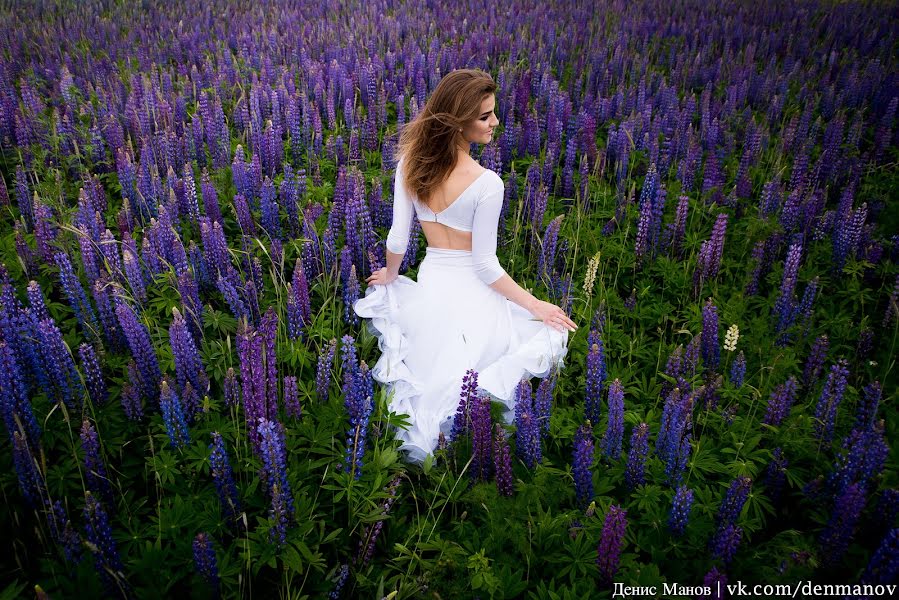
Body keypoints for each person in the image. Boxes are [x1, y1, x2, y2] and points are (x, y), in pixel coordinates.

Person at [353, 68, 577, 464]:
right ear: (458, 123)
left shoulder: (410, 164)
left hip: (432, 284)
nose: (495, 122)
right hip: (474, 291)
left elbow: (398, 238)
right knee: (483, 366)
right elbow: (485, 266)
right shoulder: (487, 183)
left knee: (431, 368)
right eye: (485, 116)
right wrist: (536, 306)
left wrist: (390, 274)